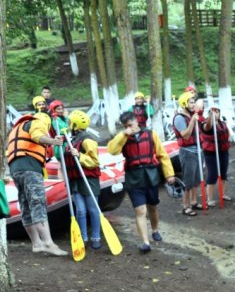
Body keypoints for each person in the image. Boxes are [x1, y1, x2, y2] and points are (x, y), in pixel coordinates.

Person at [107, 111, 175, 253]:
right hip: (133, 177)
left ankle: (155, 230)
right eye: (126, 126)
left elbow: (162, 155)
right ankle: (145, 242)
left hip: (150, 175)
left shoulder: (151, 134)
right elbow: (112, 150)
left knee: (152, 207)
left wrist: (169, 174)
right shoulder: (123, 137)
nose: (129, 128)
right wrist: (123, 134)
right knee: (140, 210)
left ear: (136, 121)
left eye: (130, 125)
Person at [5, 113, 67, 256]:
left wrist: (50, 146)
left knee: (26, 205)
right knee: (38, 202)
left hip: (16, 170)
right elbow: (37, 136)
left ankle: (37, 244)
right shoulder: (38, 122)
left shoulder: (18, 127)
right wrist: (53, 141)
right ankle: (48, 242)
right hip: (30, 168)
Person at [63, 110, 102, 249]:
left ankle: (96, 237)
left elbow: (95, 162)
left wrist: (79, 155)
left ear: (75, 125)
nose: (68, 125)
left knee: (92, 209)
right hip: (75, 180)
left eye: (70, 123)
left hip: (88, 179)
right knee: (80, 210)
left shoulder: (87, 140)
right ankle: (83, 238)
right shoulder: (70, 139)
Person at [172, 91, 202, 216]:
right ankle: (186, 206)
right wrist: (192, 122)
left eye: (193, 102)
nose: (193, 104)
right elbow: (185, 135)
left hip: (197, 151)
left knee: (195, 179)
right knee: (189, 181)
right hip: (187, 152)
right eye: (190, 102)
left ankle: (194, 201)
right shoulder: (179, 118)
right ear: (184, 103)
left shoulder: (191, 115)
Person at [201, 106, 231, 207]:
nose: (215, 114)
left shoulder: (223, 124)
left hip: (223, 151)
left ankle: (223, 194)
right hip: (211, 153)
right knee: (212, 174)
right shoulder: (206, 124)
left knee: (223, 173)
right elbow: (208, 126)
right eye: (213, 112)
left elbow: (228, 135)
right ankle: (209, 198)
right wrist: (211, 117)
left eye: (217, 112)